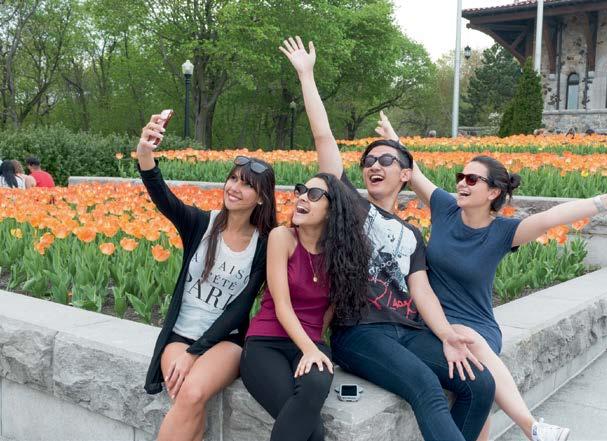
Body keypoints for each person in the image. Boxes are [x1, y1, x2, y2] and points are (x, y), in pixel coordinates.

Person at [281, 36, 495, 441]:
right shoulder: (350, 207)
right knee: (425, 386)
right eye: (368, 161)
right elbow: (324, 139)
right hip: (360, 332)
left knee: (480, 383)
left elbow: (422, 291)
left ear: (405, 175)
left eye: (385, 160)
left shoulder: (412, 234)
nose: (373, 165)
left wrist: (446, 335)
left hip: (410, 331)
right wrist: (306, 75)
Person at [376, 111, 607, 441]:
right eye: (461, 176)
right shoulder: (445, 208)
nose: (462, 183)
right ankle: (532, 429)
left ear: (492, 192)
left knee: (470, 351)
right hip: (432, 320)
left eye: (472, 179)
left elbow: (552, 217)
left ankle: (532, 427)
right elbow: (413, 172)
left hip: (475, 324)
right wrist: (393, 139)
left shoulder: (503, 232)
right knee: (477, 388)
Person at [138, 114, 277, 441]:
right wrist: (145, 151)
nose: (235, 188)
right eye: (233, 179)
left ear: (261, 197)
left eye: (247, 185)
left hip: (225, 341)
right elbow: (161, 195)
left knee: (191, 392)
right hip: (180, 335)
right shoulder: (200, 224)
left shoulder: (264, 244)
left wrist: (195, 352)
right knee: (187, 397)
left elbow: (239, 309)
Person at [240, 173, 371, 441]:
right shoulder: (282, 238)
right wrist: (310, 349)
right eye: (301, 190)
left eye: (313, 195)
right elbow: (282, 306)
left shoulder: (341, 256)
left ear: (332, 210)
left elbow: (329, 310)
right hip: (266, 342)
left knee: (317, 383)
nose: (301, 197)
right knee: (314, 432)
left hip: (311, 343)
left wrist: (314, 346)